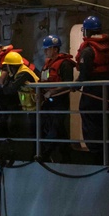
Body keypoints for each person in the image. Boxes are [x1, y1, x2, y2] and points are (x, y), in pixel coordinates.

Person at [76, 15, 109, 162]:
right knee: (103, 122)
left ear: (86, 31)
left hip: (92, 93)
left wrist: (75, 86)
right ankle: (108, 155)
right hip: (108, 92)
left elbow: (84, 75)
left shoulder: (88, 51)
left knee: (90, 120)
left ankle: (96, 154)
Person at [37, 35, 76, 163]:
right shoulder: (48, 64)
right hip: (47, 101)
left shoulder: (65, 64)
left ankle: (45, 153)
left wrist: (52, 92)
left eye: (47, 48)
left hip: (59, 101)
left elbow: (68, 83)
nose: (45, 51)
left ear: (55, 49)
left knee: (55, 127)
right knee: (56, 128)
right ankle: (66, 156)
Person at [0, 51, 40, 158]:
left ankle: (38, 154)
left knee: (36, 131)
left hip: (38, 106)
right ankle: (35, 153)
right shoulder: (18, 72)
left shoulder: (23, 73)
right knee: (34, 131)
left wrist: (4, 85)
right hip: (33, 107)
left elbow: (10, 89)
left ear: (11, 66)